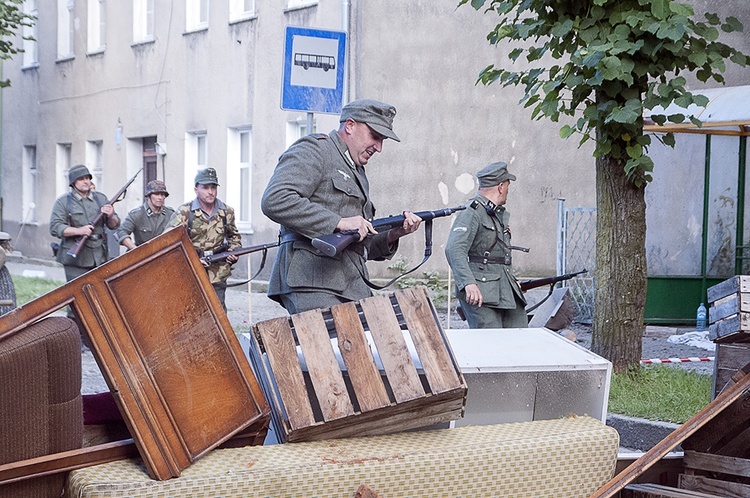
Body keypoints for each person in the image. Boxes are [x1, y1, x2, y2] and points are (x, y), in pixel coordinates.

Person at [261, 98, 422, 314]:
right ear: (350, 125)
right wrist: (338, 222)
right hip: (313, 283)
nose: (379, 147)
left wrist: (394, 233)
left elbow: (355, 241)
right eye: (375, 136)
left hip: (352, 285)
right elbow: (275, 199)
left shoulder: (356, 169)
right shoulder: (316, 149)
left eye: (382, 139)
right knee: (326, 347)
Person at [444, 161, 527, 328]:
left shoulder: (494, 213)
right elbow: (454, 249)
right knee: (490, 344)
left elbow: (495, 255)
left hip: (503, 288)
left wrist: (511, 280)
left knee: (519, 337)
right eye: (508, 187)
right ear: (501, 186)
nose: (507, 192)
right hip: (480, 292)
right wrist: (468, 283)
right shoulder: (472, 211)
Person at [169, 167, 241, 310]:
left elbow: (234, 236)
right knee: (191, 312)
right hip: (191, 271)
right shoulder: (185, 212)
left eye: (213, 187)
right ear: (196, 189)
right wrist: (191, 260)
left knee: (218, 312)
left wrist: (233, 252)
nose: (210, 192)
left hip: (218, 271)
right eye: (205, 187)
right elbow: (170, 241)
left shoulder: (226, 212)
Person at [49, 164, 121, 283]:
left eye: (87, 178)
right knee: (78, 293)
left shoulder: (101, 199)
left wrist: (111, 215)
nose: (86, 182)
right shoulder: (63, 202)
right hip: (76, 260)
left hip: (100, 255)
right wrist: (79, 231)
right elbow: (55, 227)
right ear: (73, 183)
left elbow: (114, 225)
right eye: (81, 179)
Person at [115, 180, 175, 251]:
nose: (160, 198)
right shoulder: (137, 214)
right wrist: (135, 249)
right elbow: (121, 232)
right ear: (149, 196)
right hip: (141, 255)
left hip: (163, 253)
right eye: (156, 194)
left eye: (162, 195)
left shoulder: (170, 214)